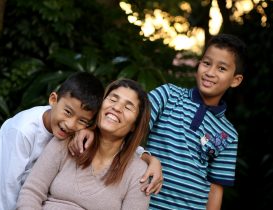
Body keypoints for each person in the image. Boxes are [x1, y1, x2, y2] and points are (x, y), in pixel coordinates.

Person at [69, 33, 248, 209]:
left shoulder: (228, 134)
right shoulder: (168, 95)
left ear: (235, 80)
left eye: (221, 68)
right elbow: (127, 125)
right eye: (207, 63)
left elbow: (216, 187)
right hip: (143, 201)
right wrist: (91, 129)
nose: (210, 72)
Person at [0, 72, 105, 210]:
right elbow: (8, 185)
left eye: (81, 120)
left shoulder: (70, 131)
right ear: (53, 100)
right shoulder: (23, 129)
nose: (70, 124)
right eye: (68, 112)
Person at [16, 79, 151, 209]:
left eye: (128, 107)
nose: (116, 107)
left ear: (134, 125)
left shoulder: (138, 173)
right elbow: (31, 192)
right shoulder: (68, 140)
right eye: (113, 99)